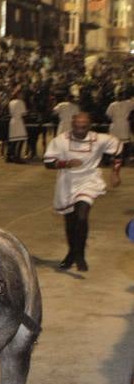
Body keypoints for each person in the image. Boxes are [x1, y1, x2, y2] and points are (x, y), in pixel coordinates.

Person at [43, 112, 122, 272]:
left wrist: (115, 172)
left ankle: (80, 255)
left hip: (89, 180)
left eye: (84, 126)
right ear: (72, 125)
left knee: (82, 216)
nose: (80, 129)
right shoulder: (60, 140)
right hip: (67, 182)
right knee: (70, 222)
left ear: (89, 126)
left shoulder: (99, 139)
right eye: (77, 126)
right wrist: (66, 163)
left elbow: (118, 147)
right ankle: (71, 252)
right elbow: (48, 162)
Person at [6, 88, 27, 163]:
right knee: (21, 139)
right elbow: (24, 113)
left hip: (12, 121)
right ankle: (17, 157)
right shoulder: (20, 102)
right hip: (19, 121)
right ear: (18, 94)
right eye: (21, 94)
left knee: (13, 140)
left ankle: (9, 156)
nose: (22, 95)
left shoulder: (11, 102)